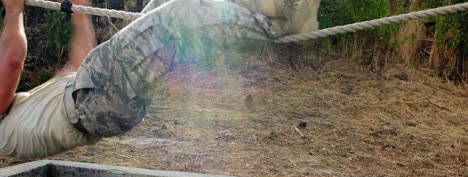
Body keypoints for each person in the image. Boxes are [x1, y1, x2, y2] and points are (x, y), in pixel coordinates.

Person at [0, 0, 319, 159]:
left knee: (165, 6)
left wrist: (80, 12)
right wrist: (13, 12)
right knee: (178, 16)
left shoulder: (27, 110)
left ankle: (276, 7)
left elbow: (79, 66)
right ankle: (279, 22)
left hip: (97, 96)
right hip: (96, 101)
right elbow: (13, 60)